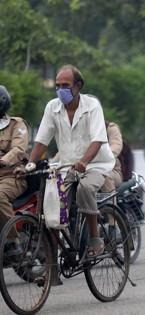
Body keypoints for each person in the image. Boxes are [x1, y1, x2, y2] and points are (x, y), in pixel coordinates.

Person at [28, 65, 115, 258]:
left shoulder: (92, 106)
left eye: (65, 85)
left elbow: (98, 140)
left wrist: (84, 162)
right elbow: (42, 140)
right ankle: (53, 264)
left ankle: (95, 238)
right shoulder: (52, 107)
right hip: (67, 167)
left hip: (95, 164)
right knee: (52, 203)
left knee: (85, 188)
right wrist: (30, 164)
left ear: (78, 86)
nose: (61, 90)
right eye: (57, 86)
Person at [0, 86, 29, 257]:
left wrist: (3, 160)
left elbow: (18, 148)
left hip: (12, 177)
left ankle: (12, 241)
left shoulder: (16, 124)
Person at [101, 121, 124, 192]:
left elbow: (116, 146)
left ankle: (110, 202)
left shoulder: (110, 128)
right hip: (83, 171)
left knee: (103, 176)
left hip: (111, 170)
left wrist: (98, 158)